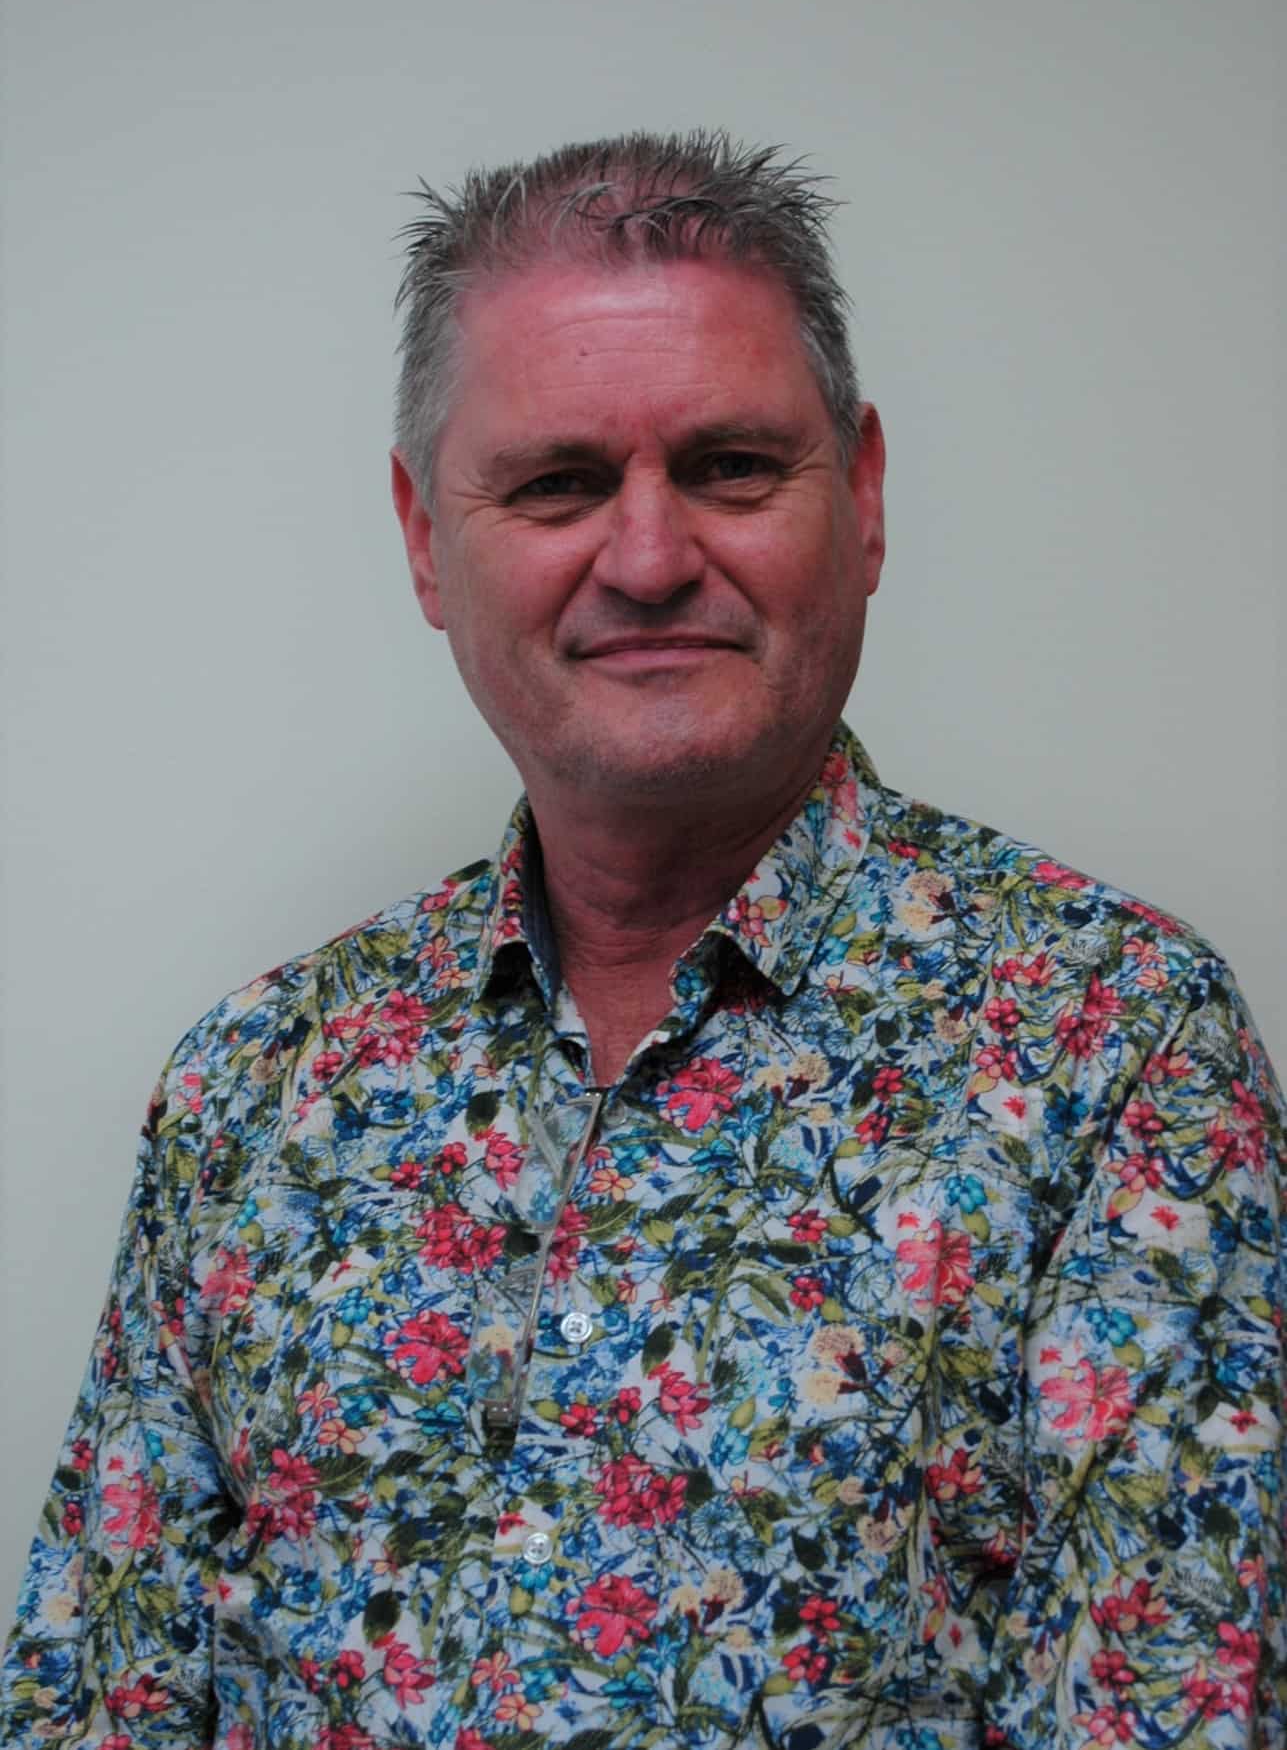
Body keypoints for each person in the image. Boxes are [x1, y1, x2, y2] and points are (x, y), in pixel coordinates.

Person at [1, 130, 1282, 1750]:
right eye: (558, 482)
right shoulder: (251, 1091)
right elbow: (91, 1704)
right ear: (423, 536)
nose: (653, 556)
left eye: (733, 466)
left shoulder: (1115, 1051)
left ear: (863, 497)